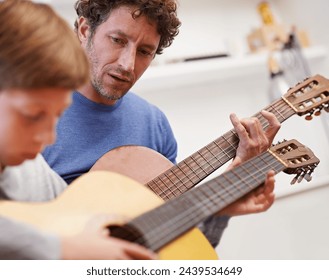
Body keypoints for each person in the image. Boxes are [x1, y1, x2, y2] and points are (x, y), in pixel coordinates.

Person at [40, 0, 281, 248]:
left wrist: (222, 207)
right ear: (84, 30)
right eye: (117, 40)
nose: (127, 64)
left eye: (145, 51)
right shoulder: (28, 113)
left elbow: (178, 243)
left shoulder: (154, 124)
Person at [0, 0, 156, 260]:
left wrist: (212, 209)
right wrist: (60, 249)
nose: (48, 137)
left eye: (57, 115)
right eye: (33, 115)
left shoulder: (34, 172)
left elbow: (82, 223)